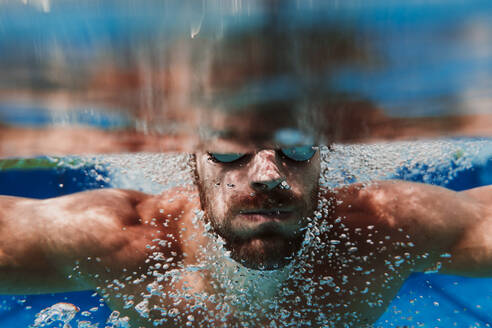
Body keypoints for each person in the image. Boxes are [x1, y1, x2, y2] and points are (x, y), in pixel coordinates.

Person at [0, 138, 491, 327]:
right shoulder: (119, 239)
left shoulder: (385, 228)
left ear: (326, 159)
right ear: (190, 161)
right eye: (228, 147)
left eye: (296, 147)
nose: (266, 176)